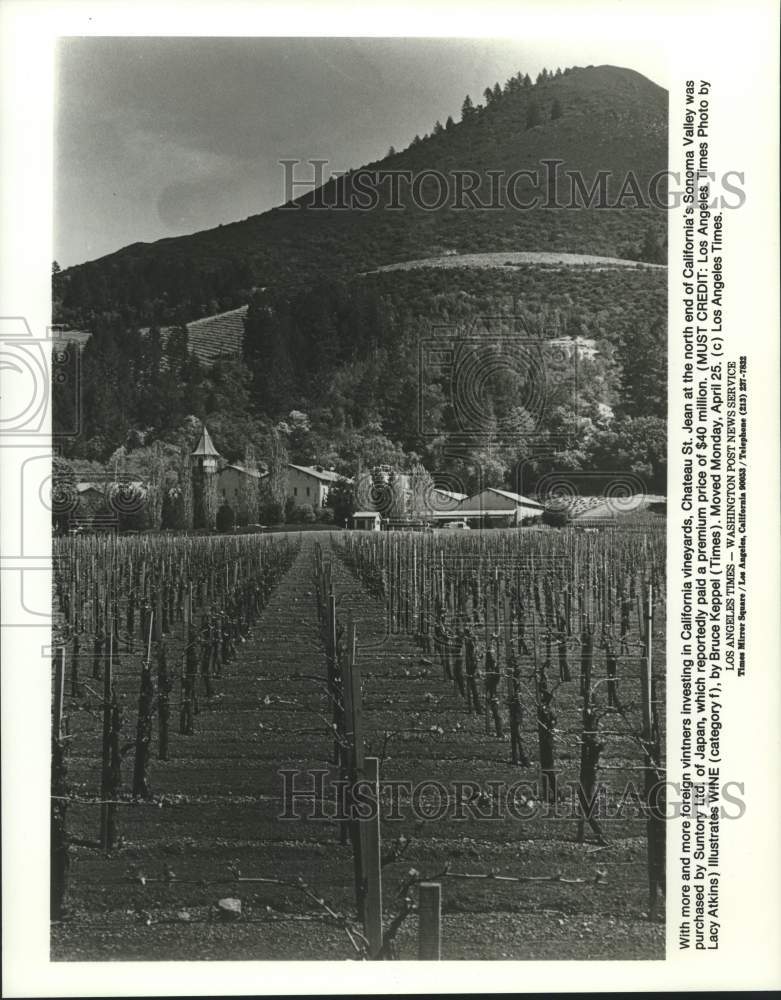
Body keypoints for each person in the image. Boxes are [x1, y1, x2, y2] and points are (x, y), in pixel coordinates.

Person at [484, 633, 503, 737]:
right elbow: (491, 656)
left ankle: (499, 732)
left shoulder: (491, 676)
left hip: (491, 695)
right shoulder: (493, 679)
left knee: (497, 716)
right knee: (497, 716)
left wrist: (492, 639)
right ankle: (500, 733)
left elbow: (489, 654)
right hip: (493, 696)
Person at [464, 624, 482, 713]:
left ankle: (473, 707)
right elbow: (473, 656)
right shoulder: (469, 644)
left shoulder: (469, 643)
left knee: (472, 688)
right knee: (473, 688)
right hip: (471, 667)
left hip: (471, 666)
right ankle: (476, 708)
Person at [451, 623, 467, 701]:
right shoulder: (458, 641)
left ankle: (463, 693)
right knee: (458, 675)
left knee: (458, 675)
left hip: (458, 660)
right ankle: (462, 692)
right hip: (458, 660)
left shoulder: (459, 642)